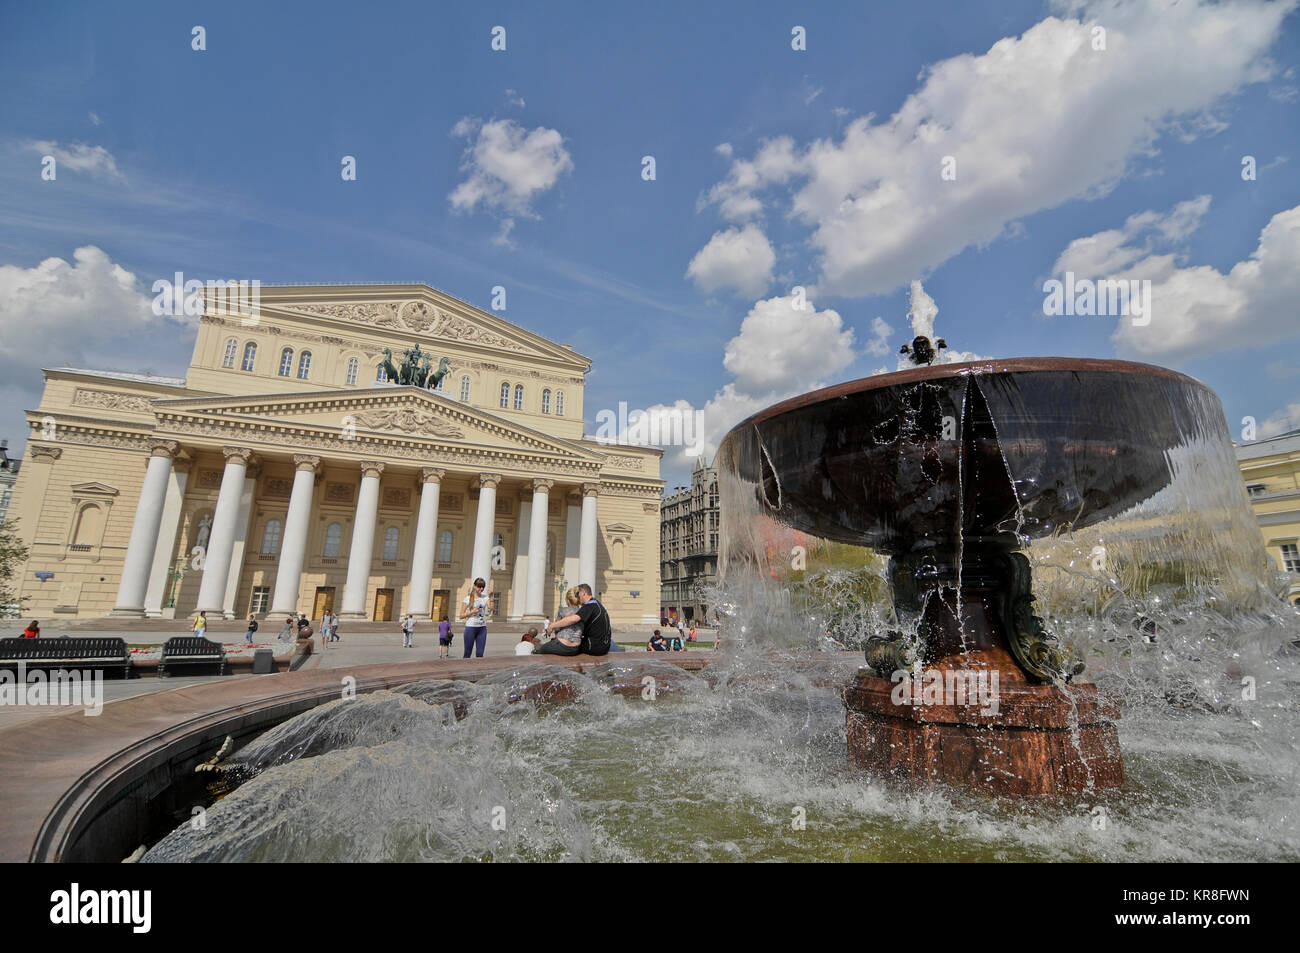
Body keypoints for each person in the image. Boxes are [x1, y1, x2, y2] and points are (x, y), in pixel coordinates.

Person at [538, 584, 611, 657]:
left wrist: (552, 625)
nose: (578, 597)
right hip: (602, 646)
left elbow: (574, 619)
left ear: (583, 593)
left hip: (594, 647)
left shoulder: (590, 605)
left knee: (542, 649)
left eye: (577, 594)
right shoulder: (597, 604)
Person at [535, 588, 584, 656]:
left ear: (567, 600)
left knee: (540, 649)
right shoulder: (583, 611)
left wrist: (549, 631)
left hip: (562, 646)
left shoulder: (563, 611)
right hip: (575, 648)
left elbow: (556, 630)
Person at [459, 578, 491, 658]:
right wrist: (472, 612)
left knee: (480, 654)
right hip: (471, 628)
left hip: (482, 628)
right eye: (479, 587)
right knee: (467, 653)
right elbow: (461, 615)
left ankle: (478, 670)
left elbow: (491, 607)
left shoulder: (485, 597)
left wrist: (491, 597)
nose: (481, 589)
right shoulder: (467, 599)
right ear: (475, 586)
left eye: (483, 587)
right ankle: (465, 669)